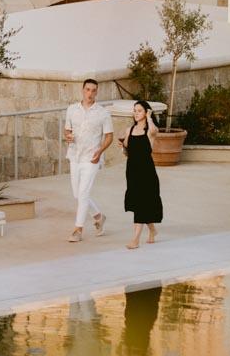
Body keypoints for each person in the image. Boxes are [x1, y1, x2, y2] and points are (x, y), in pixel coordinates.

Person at [63, 78, 113, 243]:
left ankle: (78, 229)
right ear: (82, 90)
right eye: (87, 90)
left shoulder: (103, 113)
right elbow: (67, 130)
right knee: (77, 194)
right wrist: (68, 137)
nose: (90, 93)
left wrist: (100, 151)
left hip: (92, 157)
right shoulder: (71, 109)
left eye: (93, 90)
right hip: (74, 155)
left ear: (97, 92)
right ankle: (99, 216)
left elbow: (109, 136)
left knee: (83, 193)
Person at [118, 98, 163, 249]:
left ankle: (135, 239)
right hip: (132, 171)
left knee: (142, 204)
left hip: (147, 172)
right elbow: (127, 152)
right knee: (140, 204)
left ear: (145, 113)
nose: (136, 113)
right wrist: (122, 147)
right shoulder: (129, 131)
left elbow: (154, 131)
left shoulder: (149, 131)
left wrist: (150, 118)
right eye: (134, 111)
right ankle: (153, 230)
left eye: (139, 111)